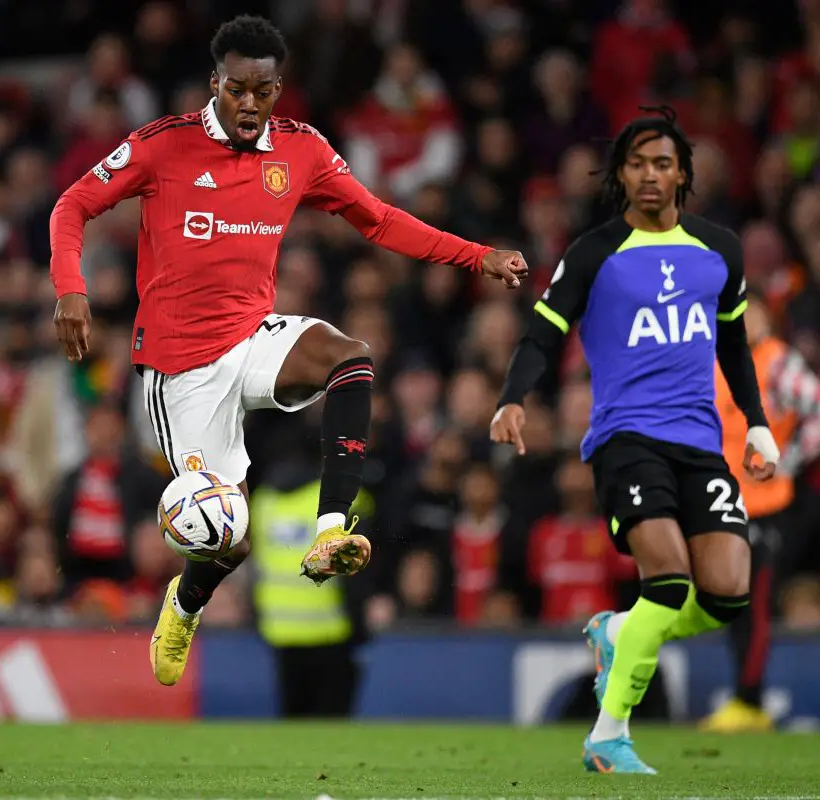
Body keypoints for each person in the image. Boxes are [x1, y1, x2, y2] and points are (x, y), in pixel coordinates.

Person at [50, 15, 528, 688]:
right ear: (215, 83)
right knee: (229, 537)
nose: (251, 104)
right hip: (180, 368)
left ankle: (332, 528)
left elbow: (379, 218)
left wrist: (477, 257)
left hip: (252, 335)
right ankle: (185, 604)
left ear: (280, 89)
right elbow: (72, 206)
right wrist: (71, 290)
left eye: (265, 91)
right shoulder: (163, 145)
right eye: (238, 89)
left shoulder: (301, 150)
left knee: (350, 357)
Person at [490, 106, 779, 773]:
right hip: (626, 439)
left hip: (701, 444)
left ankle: (619, 631)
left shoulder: (719, 250)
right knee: (670, 582)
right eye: (637, 163)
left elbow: (734, 344)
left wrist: (757, 422)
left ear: (683, 174)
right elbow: (542, 333)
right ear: (620, 174)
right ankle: (608, 735)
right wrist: (512, 397)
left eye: (663, 164)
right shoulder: (595, 252)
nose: (650, 176)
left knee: (728, 595)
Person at [702, 293, 820, 732]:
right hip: (727, 505)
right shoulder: (715, 365)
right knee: (735, 602)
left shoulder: (777, 362)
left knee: (755, 601)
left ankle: (749, 702)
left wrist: (789, 459)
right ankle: (743, 698)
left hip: (771, 506)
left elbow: (816, 407)